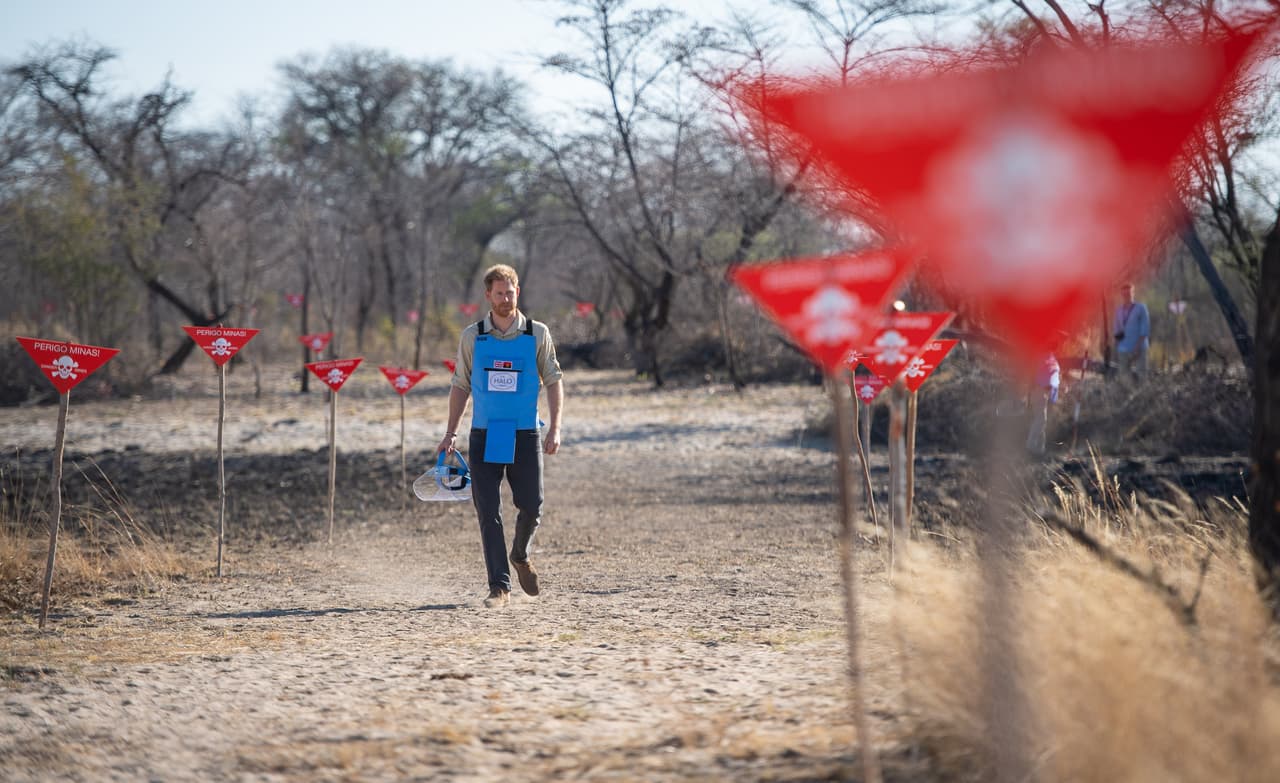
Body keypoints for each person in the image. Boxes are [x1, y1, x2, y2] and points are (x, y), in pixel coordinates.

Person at [437, 264, 564, 608]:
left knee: (532, 506)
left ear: (517, 292)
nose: (505, 299)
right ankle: (499, 587)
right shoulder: (472, 336)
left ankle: (520, 555)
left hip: (524, 434)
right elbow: (460, 385)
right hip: (485, 435)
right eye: (499, 293)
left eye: (510, 292)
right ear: (488, 295)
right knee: (488, 511)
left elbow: (553, 379)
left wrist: (555, 427)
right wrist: (451, 432)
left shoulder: (536, 334)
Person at [1114, 282, 1150, 381]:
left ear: (1133, 293)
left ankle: (1143, 395)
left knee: (1141, 375)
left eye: (1128, 294)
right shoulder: (1118, 311)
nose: (1126, 296)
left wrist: (1137, 347)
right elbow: (1117, 330)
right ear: (1121, 295)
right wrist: (1116, 347)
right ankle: (1130, 395)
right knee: (1124, 376)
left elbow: (1145, 330)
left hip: (1139, 348)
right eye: (1124, 294)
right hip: (1123, 349)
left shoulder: (1141, 308)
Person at [1026, 353, 1061, 455]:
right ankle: (1031, 446)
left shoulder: (1043, 359)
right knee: (1041, 420)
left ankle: (1040, 449)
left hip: (1037, 391)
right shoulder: (1053, 365)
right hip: (1040, 392)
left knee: (1041, 420)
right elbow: (1054, 384)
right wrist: (1053, 399)